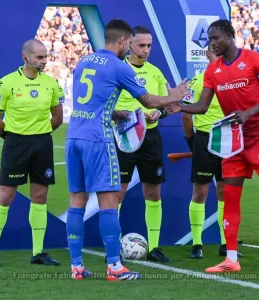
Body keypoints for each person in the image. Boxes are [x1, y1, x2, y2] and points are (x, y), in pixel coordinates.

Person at [65, 19, 188, 281]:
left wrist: (122, 114)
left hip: (73, 136)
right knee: (109, 201)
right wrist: (175, 96)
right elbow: (150, 100)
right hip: (98, 139)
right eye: (131, 43)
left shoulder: (84, 62)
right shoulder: (119, 67)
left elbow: (94, 105)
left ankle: (76, 267)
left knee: (77, 201)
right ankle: (114, 267)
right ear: (123, 41)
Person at [171, 19, 259, 273]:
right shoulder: (213, 71)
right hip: (234, 142)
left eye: (216, 38)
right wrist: (178, 106)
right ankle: (231, 258)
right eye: (209, 39)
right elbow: (202, 106)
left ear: (230, 36)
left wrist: (248, 112)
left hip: (256, 136)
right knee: (230, 197)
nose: (212, 43)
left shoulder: (252, 59)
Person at [0, 39, 64, 266]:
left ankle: (38, 252)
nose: (44, 61)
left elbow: (57, 117)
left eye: (45, 56)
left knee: (39, 196)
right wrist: (10, 136)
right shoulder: (6, 83)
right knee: (5, 196)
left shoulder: (51, 84)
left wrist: (41, 134)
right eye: (39, 57)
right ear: (25, 57)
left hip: (42, 144)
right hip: (15, 143)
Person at [114, 26, 171, 263]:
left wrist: (158, 113)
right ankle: (114, 245)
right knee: (117, 194)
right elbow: (108, 108)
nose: (146, 50)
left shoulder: (156, 73)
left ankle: (155, 247)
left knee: (153, 192)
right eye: (141, 45)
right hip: (124, 137)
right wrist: (129, 114)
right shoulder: (118, 70)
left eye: (149, 45)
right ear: (129, 44)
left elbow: (164, 105)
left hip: (150, 139)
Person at [182, 45, 243, 260]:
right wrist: (191, 140)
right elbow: (186, 115)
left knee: (225, 192)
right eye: (213, 53)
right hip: (205, 140)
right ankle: (196, 243)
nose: (217, 57)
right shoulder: (198, 80)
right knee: (200, 192)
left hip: (229, 141)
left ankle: (226, 243)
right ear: (207, 55)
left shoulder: (234, 81)